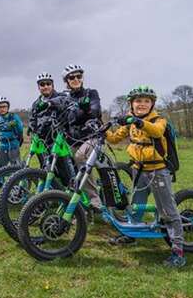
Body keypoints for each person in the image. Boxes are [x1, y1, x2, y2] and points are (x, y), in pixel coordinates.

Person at [106, 85, 186, 268]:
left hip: (158, 171)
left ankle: (178, 251)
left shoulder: (159, 120)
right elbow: (114, 139)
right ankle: (131, 235)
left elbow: (156, 131)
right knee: (136, 205)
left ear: (152, 104)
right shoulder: (130, 123)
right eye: (138, 101)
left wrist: (137, 121)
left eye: (146, 101)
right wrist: (104, 130)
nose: (141, 104)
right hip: (138, 170)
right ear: (131, 104)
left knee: (168, 211)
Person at [63, 64, 102, 210]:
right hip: (74, 139)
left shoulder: (91, 93)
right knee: (72, 166)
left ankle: (95, 200)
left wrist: (85, 109)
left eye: (79, 76)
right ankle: (76, 200)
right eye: (71, 77)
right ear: (66, 81)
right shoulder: (66, 98)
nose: (76, 79)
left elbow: (95, 111)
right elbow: (64, 117)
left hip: (93, 136)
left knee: (80, 157)